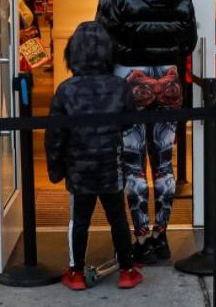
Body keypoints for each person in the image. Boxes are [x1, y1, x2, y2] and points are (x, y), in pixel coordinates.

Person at [96, 0, 198, 264]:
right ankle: (161, 237)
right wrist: (167, 57)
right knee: (165, 162)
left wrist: (123, 60)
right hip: (169, 77)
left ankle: (139, 237)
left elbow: (103, 37)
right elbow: (189, 40)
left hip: (130, 78)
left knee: (133, 163)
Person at [45, 21, 144, 290]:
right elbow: (129, 123)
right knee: (118, 218)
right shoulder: (119, 86)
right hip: (112, 165)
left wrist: (55, 169)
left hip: (79, 168)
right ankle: (127, 270)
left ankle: (76, 272)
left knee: (79, 221)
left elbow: (55, 136)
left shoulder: (65, 90)